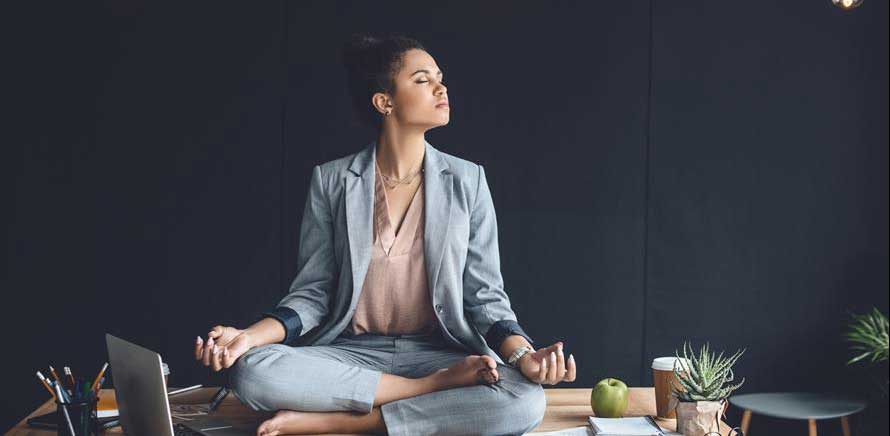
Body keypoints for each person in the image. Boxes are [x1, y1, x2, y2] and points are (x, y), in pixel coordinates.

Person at [192, 32, 577, 436]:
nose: (441, 87)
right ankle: (428, 390)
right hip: (352, 355)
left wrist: (523, 358)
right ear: (384, 101)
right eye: (423, 79)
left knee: (525, 399)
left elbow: (486, 299)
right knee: (253, 372)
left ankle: (350, 423)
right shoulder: (332, 181)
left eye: (440, 78)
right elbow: (313, 294)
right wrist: (247, 337)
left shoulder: (469, 181)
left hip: (441, 352)